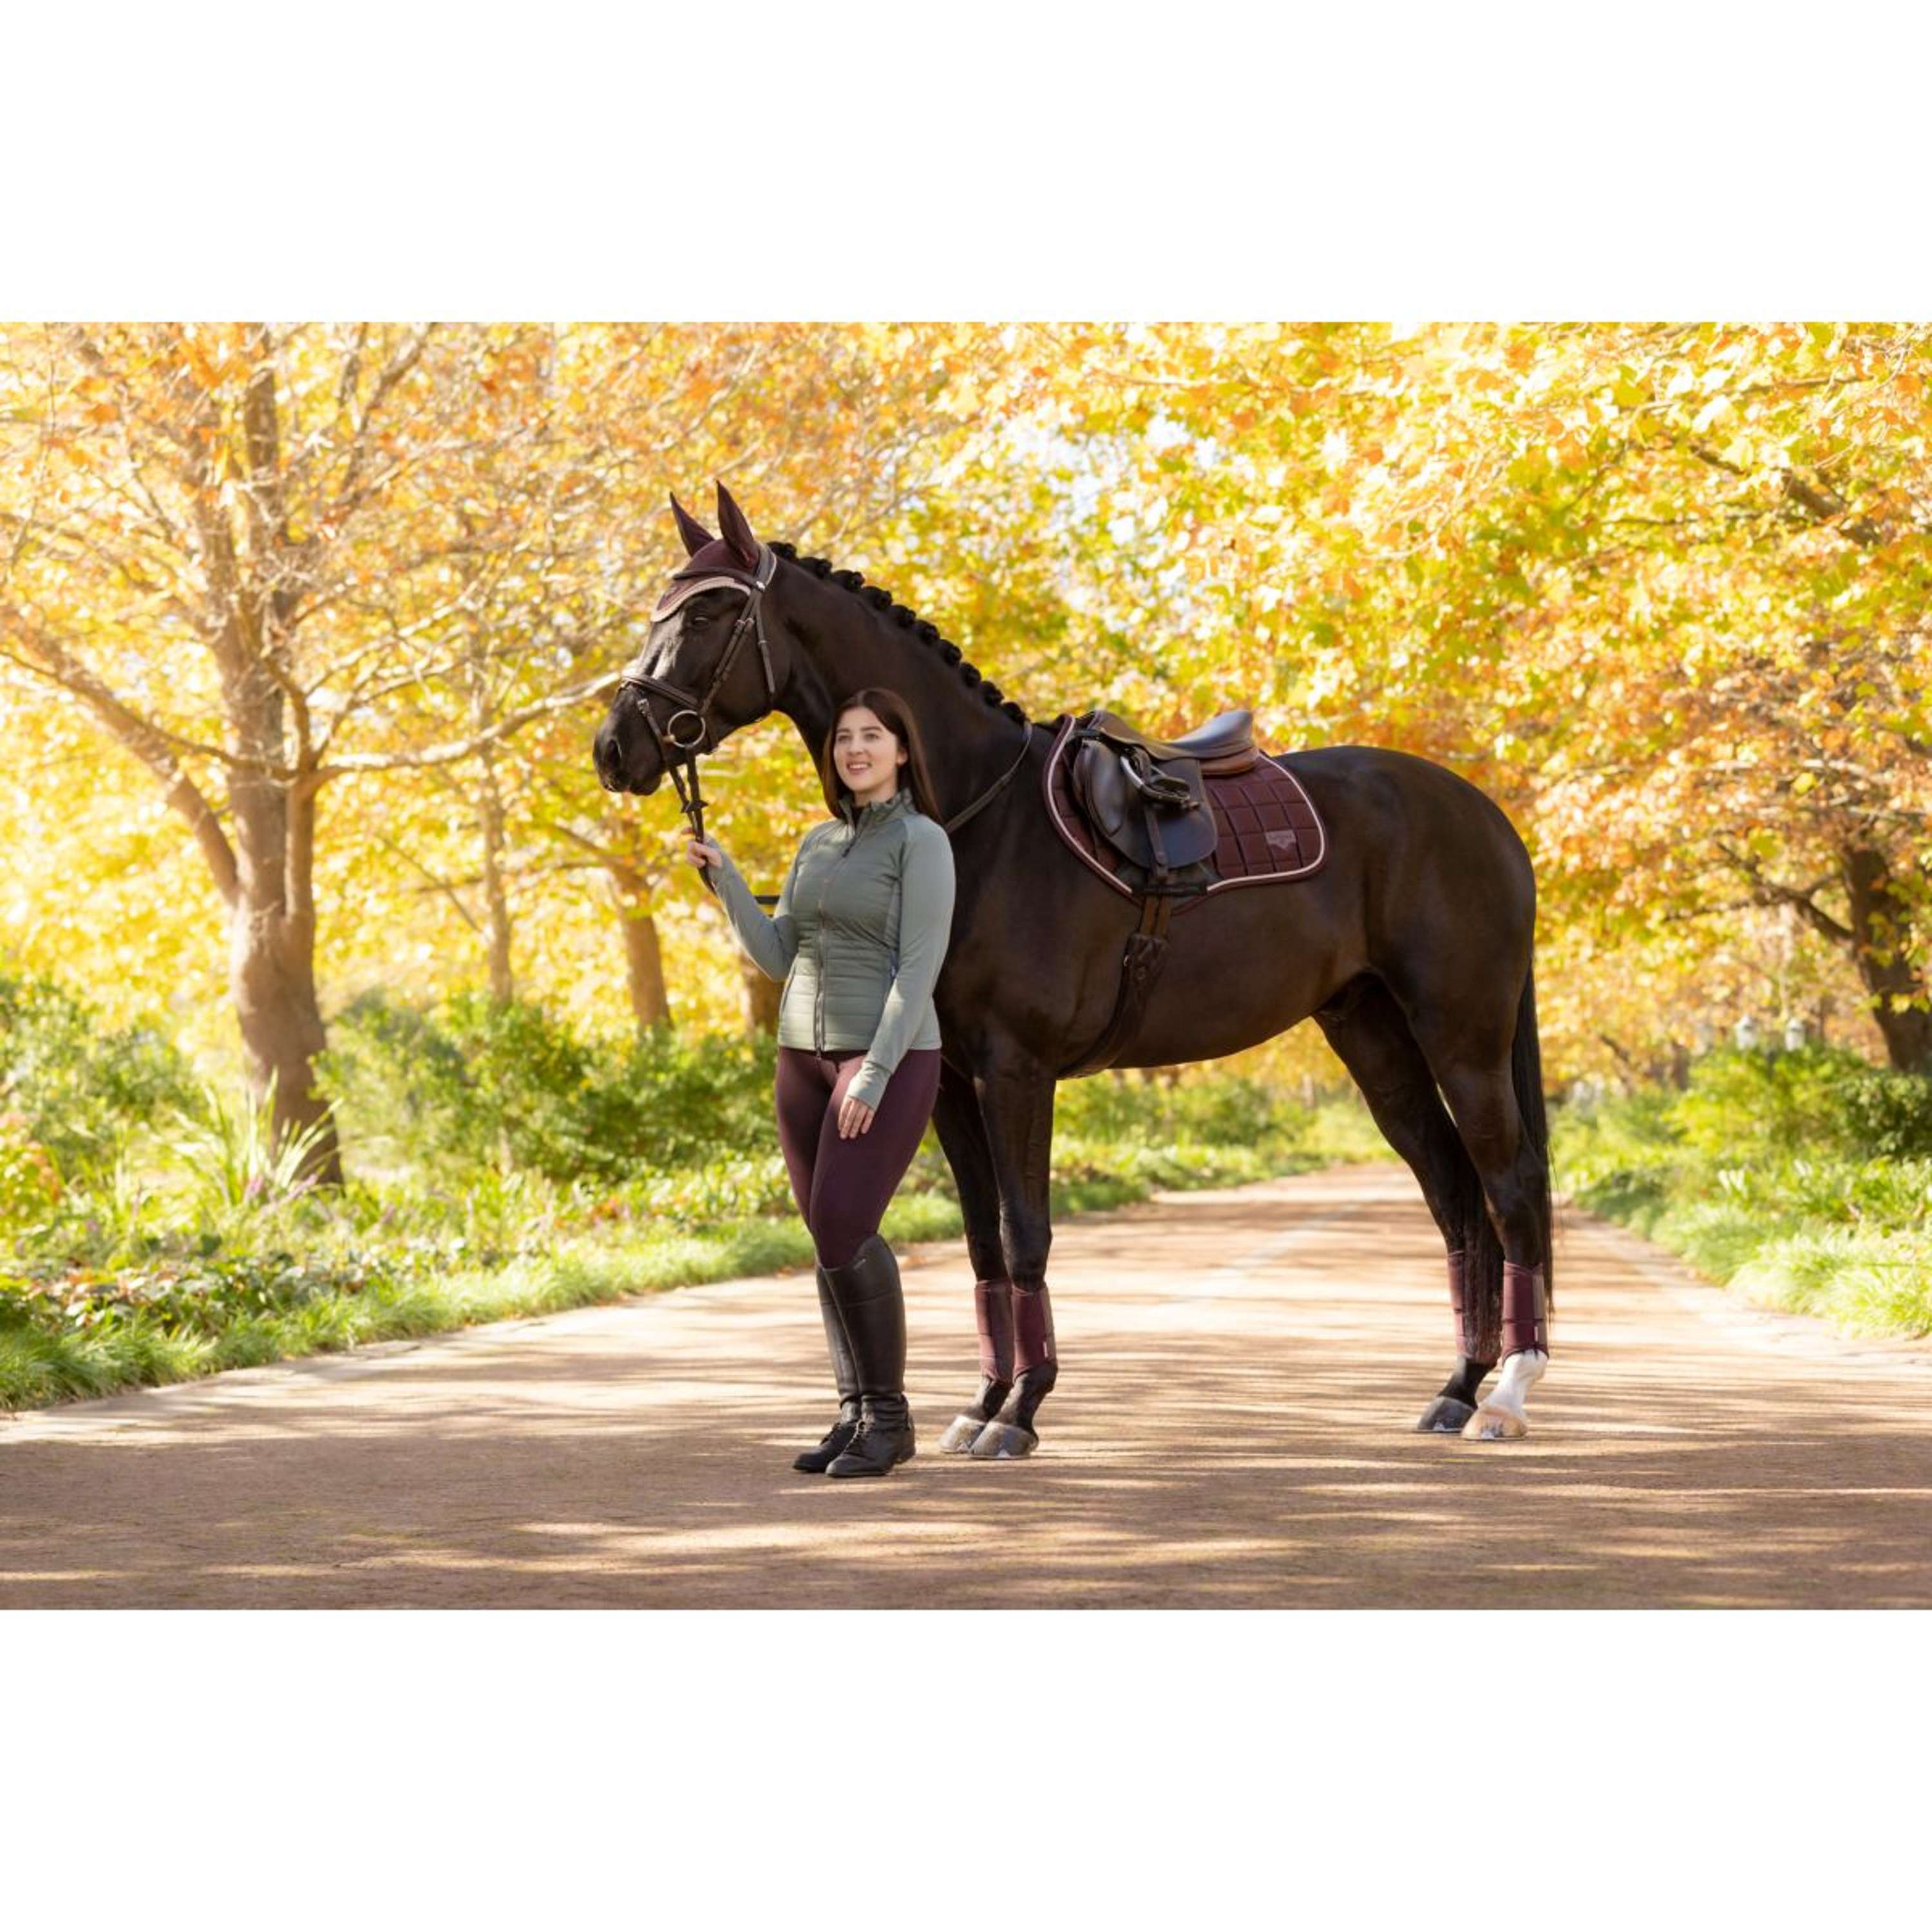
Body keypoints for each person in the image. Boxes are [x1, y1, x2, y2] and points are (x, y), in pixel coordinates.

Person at [687, 688, 956, 1478]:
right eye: (843, 738)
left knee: (845, 1224)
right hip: (800, 1059)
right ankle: (854, 1413)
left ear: (901, 751)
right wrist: (728, 882)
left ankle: (891, 1419)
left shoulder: (922, 842)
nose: (855, 750)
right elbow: (779, 956)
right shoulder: (818, 842)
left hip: (886, 1056)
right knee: (827, 1239)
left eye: (872, 736)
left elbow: (919, 969)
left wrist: (874, 1072)